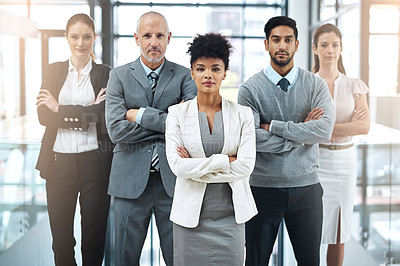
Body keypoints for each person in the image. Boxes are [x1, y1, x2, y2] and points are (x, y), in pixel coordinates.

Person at [238, 16, 336, 265]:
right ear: (266, 44)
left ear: (297, 44)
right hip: (262, 189)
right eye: (276, 40)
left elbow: (324, 130)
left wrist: (274, 127)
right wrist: (302, 132)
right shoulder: (250, 89)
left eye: (287, 40)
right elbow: (251, 139)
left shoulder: (316, 86)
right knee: (256, 261)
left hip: (307, 189)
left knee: (309, 261)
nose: (282, 45)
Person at [105, 11, 197, 266]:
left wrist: (139, 115)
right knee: (123, 258)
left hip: (174, 182)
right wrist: (168, 121)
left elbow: (188, 127)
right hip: (128, 184)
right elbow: (116, 130)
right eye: (147, 35)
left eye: (159, 35)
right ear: (136, 38)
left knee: (179, 259)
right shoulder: (119, 76)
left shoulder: (184, 76)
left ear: (169, 38)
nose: (153, 42)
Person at [165, 33, 258, 266]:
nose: (208, 74)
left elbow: (245, 166)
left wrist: (195, 167)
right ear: (192, 72)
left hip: (231, 218)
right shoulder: (176, 114)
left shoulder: (243, 114)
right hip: (189, 220)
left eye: (215, 68)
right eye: (201, 68)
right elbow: (177, 166)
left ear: (225, 73)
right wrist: (226, 160)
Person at [35, 13, 113, 266]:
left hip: (95, 164)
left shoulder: (105, 73)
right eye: (75, 37)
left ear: (94, 38)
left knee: (94, 238)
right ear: (67, 38)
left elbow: (103, 116)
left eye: (86, 37)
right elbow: (43, 115)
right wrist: (85, 110)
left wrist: (62, 109)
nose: (81, 43)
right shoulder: (53, 71)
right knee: (61, 240)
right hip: (58, 165)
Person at [312, 23, 370, 266]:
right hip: (316, 163)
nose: (330, 51)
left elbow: (364, 127)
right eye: (324, 45)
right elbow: (305, 131)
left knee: (339, 231)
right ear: (315, 49)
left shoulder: (355, 84)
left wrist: (322, 128)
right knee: (311, 229)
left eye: (335, 45)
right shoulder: (308, 84)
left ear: (342, 49)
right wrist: (345, 127)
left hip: (345, 164)